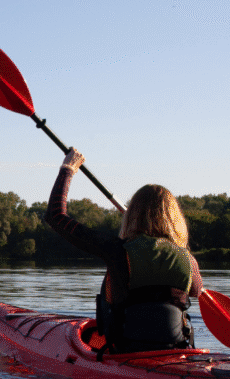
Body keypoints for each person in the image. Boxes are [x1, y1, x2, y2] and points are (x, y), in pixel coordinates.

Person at [45, 148, 202, 353]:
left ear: (132, 216)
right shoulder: (188, 260)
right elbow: (197, 291)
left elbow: (55, 216)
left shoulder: (116, 250)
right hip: (176, 350)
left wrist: (68, 169)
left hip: (125, 351)